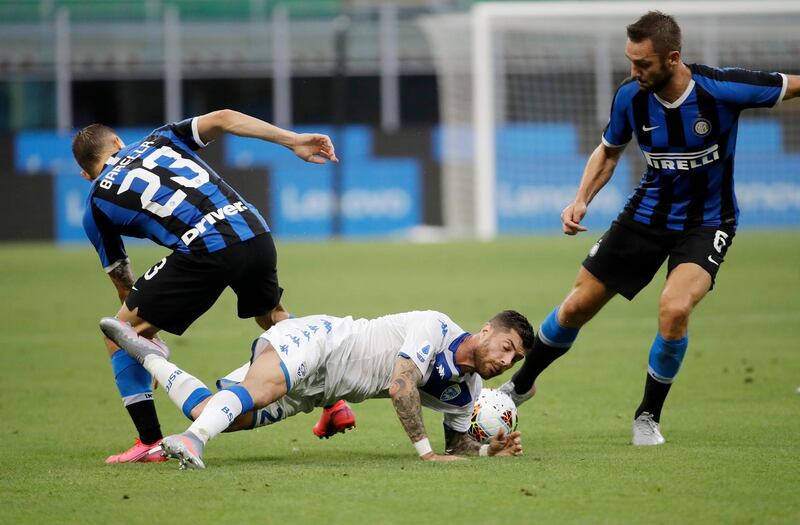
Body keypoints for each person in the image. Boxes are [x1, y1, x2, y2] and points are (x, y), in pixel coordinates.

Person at [500, 11, 800, 445]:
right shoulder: (630, 97)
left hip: (707, 221)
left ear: (673, 58)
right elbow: (608, 151)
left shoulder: (722, 88)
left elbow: (792, 84)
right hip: (646, 214)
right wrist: (581, 199)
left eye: (642, 64)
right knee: (575, 308)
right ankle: (522, 385)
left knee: (674, 309)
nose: (633, 71)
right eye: (630, 61)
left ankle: (647, 416)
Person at [73, 109, 355, 463]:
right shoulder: (160, 138)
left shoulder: (96, 202)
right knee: (275, 319)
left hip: (206, 248)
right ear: (117, 141)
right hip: (253, 228)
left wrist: (140, 342)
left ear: (85, 174)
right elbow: (223, 117)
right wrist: (293, 140)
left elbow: (122, 281)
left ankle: (148, 442)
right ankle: (335, 403)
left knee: (119, 332)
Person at [99, 309, 535, 469]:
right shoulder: (436, 326)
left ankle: (149, 356)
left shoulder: (467, 390)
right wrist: (426, 453)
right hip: (320, 341)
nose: (506, 360)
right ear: (485, 331)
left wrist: (483, 451)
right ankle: (191, 444)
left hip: (319, 390)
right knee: (261, 390)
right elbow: (402, 385)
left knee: (213, 411)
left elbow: (456, 446)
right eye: (506, 347)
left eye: (514, 359)